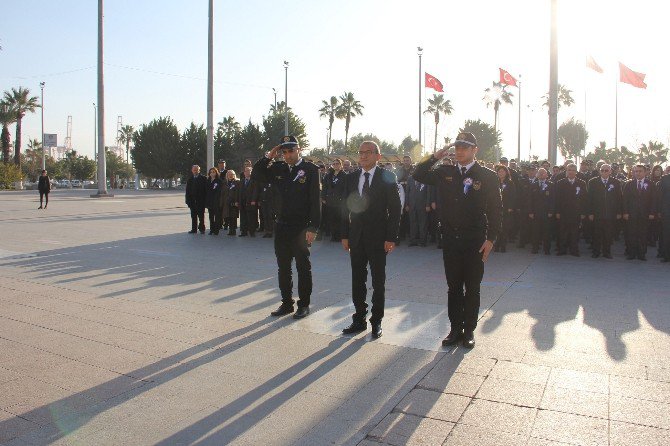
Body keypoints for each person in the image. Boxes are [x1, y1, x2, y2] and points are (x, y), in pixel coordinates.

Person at [413, 132, 502, 349]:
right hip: (451, 240)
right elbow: (418, 173)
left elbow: (496, 211)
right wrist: (435, 156)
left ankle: (469, 330)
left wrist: (491, 239)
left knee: (472, 287)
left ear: (474, 150)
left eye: (465, 147)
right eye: (457, 147)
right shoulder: (445, 171)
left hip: (475, 241)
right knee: (453, 287)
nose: (459, 151)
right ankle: (455, 329)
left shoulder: (488, 176)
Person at [252, 135, 320, 319]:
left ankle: (304, 305)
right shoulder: (277, 168)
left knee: (303, 268)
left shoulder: (310, 170)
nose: (288, 155)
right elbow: (256, 174)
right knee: (283, 267)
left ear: (299, 150)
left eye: (291, 151)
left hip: (301, 227)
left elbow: (315, 201)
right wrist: (269, 156)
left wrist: (313, 228)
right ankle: (287, 303)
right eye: (285, 152)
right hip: (282, 225)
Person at [341, 141, 401, 339]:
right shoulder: (351, 178)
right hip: (356, 237)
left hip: (378, 238)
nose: (363, 155)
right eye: (361, 152)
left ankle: (377, 321)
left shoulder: (387, 178)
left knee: (378, 282)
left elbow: (395, 210)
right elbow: (344, 207)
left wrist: (391, 237)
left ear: (378, 155)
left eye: (368, 152)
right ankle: (359, 319)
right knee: (357, 280)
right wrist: (344, 234)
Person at [622, 165, 656, 260]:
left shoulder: (651, 184)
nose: (638, 173)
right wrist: (625, 212)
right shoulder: (629, 184)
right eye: (636, 171)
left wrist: (652, 213)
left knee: (643, 234)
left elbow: (654, 200)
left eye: (640, 171)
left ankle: (642, 254)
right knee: (631, 234)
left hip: (645, 214)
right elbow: (625, 200)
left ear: (645, 172)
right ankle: (632, 253)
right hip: (631, 214)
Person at [587, 164, 622, 258]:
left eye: (606, 170)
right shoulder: (593, 182)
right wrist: (590, 213)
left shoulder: (616, 182)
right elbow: (589, 199)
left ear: (610, 171)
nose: (604, 172)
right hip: (597, 213)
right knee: (596, 234)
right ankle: (596, 252)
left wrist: (619, 212)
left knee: (608, 234)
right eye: (602, 170)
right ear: (599, 171)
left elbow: (619, 198)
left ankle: (607, 252)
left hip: (610, 213)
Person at [554, 164, 587, 256]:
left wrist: (583, 212)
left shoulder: (582, 183)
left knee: (575, 233)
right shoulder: (560, 183)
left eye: (573, 170)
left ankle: (574, 250)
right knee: (563, 232)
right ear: (566, 171)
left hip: (576, 212)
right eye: (569, 170)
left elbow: (584, 199)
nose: (571, 172)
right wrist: (557, 212)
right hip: (563, 212)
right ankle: (562, 250)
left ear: (576, 172)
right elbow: (557, 199)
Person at [529, 168, 554, 255]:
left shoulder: (551, 185)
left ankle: (547, 249)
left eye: (543, 173)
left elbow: (553, 200)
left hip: (546, 213)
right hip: (535, 213)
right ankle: (534, 248)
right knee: (535, 232)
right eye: (540, 173)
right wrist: (531, 212)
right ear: (537, 175)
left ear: (547, 175)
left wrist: (551, 211)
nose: (541, 175)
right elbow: (530, 200)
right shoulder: (533, 185)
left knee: (547, 232)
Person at [322, 159, 346, 242]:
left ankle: (339, 236)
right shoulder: (328, 175)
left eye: (337, 164)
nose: (335, 165)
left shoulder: (344, 175)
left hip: (340, 201)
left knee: (339, 219)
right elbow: (324, 187)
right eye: (334, 164)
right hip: (330, 200)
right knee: (331, 218)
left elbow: (346, 189)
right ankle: (333, 235)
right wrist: (323, 197)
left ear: (341, 165)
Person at [406, 174, 431, 247]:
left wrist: (427, 204)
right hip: (412, 205)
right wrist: (407, 204)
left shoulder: (425, 178)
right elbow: (407, 192)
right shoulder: (410, 178)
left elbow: (428, 192)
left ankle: (423, 241)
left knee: (423, 224)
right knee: (412, 223)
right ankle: (413, 241)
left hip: (423, 205)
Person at [495, 165, 516, 252]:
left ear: (506, 173)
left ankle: (503, 245)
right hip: (496, 208)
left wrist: (511, 207)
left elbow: (513, 196)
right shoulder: (495, 182)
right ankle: (497, 245)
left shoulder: (510, 183)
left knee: (504, 227)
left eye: (503, 171)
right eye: (499, 171)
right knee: (496, 227)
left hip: (506, 208)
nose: (501, 173)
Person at [185, 165, 207, 234]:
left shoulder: (203, 178)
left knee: (201, 216)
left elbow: (206, 190)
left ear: (199, 170)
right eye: (194, 170)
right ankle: (194, 229)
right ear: (192, 170)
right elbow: (187, 191)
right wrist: (187, 201)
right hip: (192, 201)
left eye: (197, 170)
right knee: (193, 216)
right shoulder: (190, 179)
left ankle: (202, 229)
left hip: (201, 201)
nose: (195, 171)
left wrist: (205, 201)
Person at [239, 166, 259, 237]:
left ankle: (252, 232)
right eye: (246, 171)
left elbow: (255, 191)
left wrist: (253, 200)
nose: (247, 172)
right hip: (242, 202)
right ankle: (243, 232)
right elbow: (239, 192)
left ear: (251, 172)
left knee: (251, 218)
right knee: (243, 218)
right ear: (244, 173)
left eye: (249, 171)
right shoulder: (241, 181)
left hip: (250, 202)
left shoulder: (254, 181)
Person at [222, 170, 241, 236]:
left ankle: (233, 230)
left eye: (232, 174)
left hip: (234, 202)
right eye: (229, 174)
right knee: (228, 217)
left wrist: (237, 201)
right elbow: (223, 193)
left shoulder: (237, 182)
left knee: (233, 217)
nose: (230, 175)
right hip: (226, 203)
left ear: (234, 175)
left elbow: (239, 192)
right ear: (227, 175)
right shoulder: (225, 183)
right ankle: (230, 230)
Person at [205, 167, 223, 235]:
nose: (212, 173)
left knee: (217, 216)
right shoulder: (207, 181)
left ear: (216, 173)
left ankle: (216, 230)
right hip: (209, 201)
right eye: (211, 172)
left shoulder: (219, 181)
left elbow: (219, 192)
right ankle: (211, 229)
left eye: (213, 172)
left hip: (216, 201)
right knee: (211, 216)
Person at [658, 171, 670, 262]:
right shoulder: (665, 179)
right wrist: (659, 211)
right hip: (667, 212)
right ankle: (667, 256)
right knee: (666, 235)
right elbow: (660, 196)